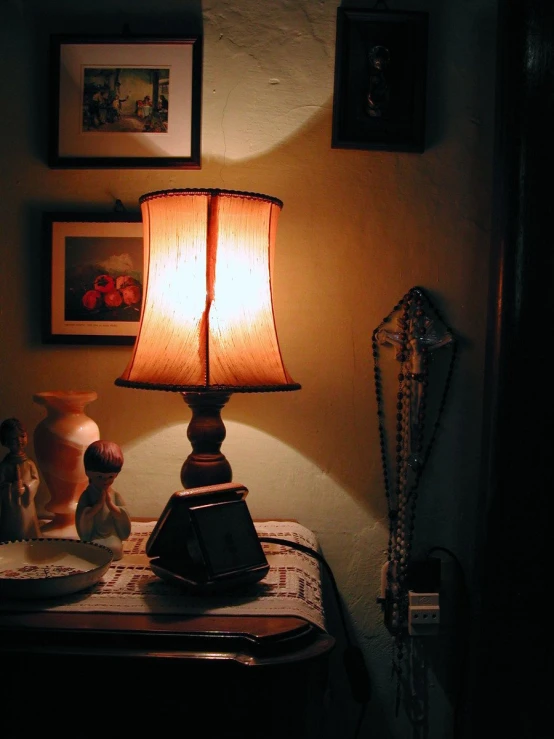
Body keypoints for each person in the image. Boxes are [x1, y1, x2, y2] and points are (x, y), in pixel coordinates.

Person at [75, 440, 131, 560]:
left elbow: (123, 515)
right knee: (96, 549)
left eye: (110, 477)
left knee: (114, 549)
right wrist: (97, 506)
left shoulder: (114, 495)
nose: (105, 481)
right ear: (88, 473)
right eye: (99, 477)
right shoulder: (87, 495)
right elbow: (82, 517)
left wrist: (111, 506)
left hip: (112, 534)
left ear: (116, 474)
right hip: (94, 534)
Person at [0, 418, 41, 541]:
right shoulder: (4, 466)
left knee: (28, 526)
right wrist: (11, 488)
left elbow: (36, 480)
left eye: (22, 436)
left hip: (27, 506)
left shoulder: (29, 464)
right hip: (11, 510)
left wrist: (26, 488)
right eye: (13, 439)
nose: (19, 441)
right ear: (6, 442)